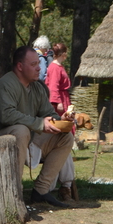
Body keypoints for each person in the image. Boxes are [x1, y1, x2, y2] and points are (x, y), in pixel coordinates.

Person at [0, 46, 74, 208]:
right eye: (33, 64)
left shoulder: (37, 87)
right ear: (20, 66)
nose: (39, 67)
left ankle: (41, 191)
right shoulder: (6, 84)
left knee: (65, 137)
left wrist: (61, 119)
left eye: (38, 63)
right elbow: (6, 116)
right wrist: (39, 123)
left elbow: (48, 113)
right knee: (21, 130)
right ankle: (14, 192)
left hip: (26, 137)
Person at [44, 43, 76, 202]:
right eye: (66, 52)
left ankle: (63, 186)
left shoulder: (56, 66)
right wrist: (58, 104)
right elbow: (53, 87)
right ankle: (61, 187)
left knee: (65, 144)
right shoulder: (55, 68)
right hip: (57, 106)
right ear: (62, 53)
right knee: (62, 138)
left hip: (62, 100)